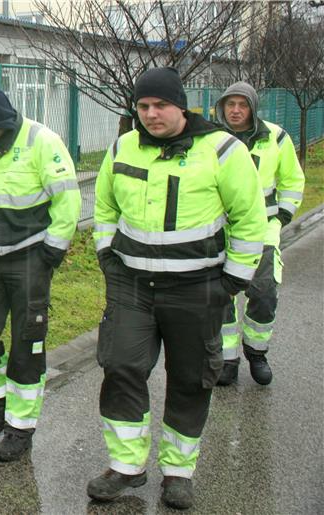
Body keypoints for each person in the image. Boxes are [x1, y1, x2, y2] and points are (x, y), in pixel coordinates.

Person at [88, 67, 267, 510]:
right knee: (121, 367)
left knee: (190, 379)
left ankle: (178, 473)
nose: (151, 114)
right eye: (143, 106)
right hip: (131, 286)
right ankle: (127, 466)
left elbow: (249, 219)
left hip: (197, 288)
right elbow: (105, 206)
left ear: (181, 106)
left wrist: (233, 281)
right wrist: (107, 255)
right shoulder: (122, 146)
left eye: (160, 106)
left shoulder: (222, 150)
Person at [0, 86, 81, 462]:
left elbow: (67, 197)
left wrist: (52, 250)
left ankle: (20, 428)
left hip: (30, 258)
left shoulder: (42, 141)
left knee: (28, 343)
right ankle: (2, 400)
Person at [213, 82, 305, 386]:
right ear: (222, 107)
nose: (236, 110)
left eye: (243, 105)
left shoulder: (276, 137)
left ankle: (257, 353)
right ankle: (227, 361)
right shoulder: (211, 139)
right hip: (221, 233)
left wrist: (282, 216)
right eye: (230, 104)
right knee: (220, 298)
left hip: (263, 233)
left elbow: (292, 180)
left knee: (264, 295)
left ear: (253, 107)